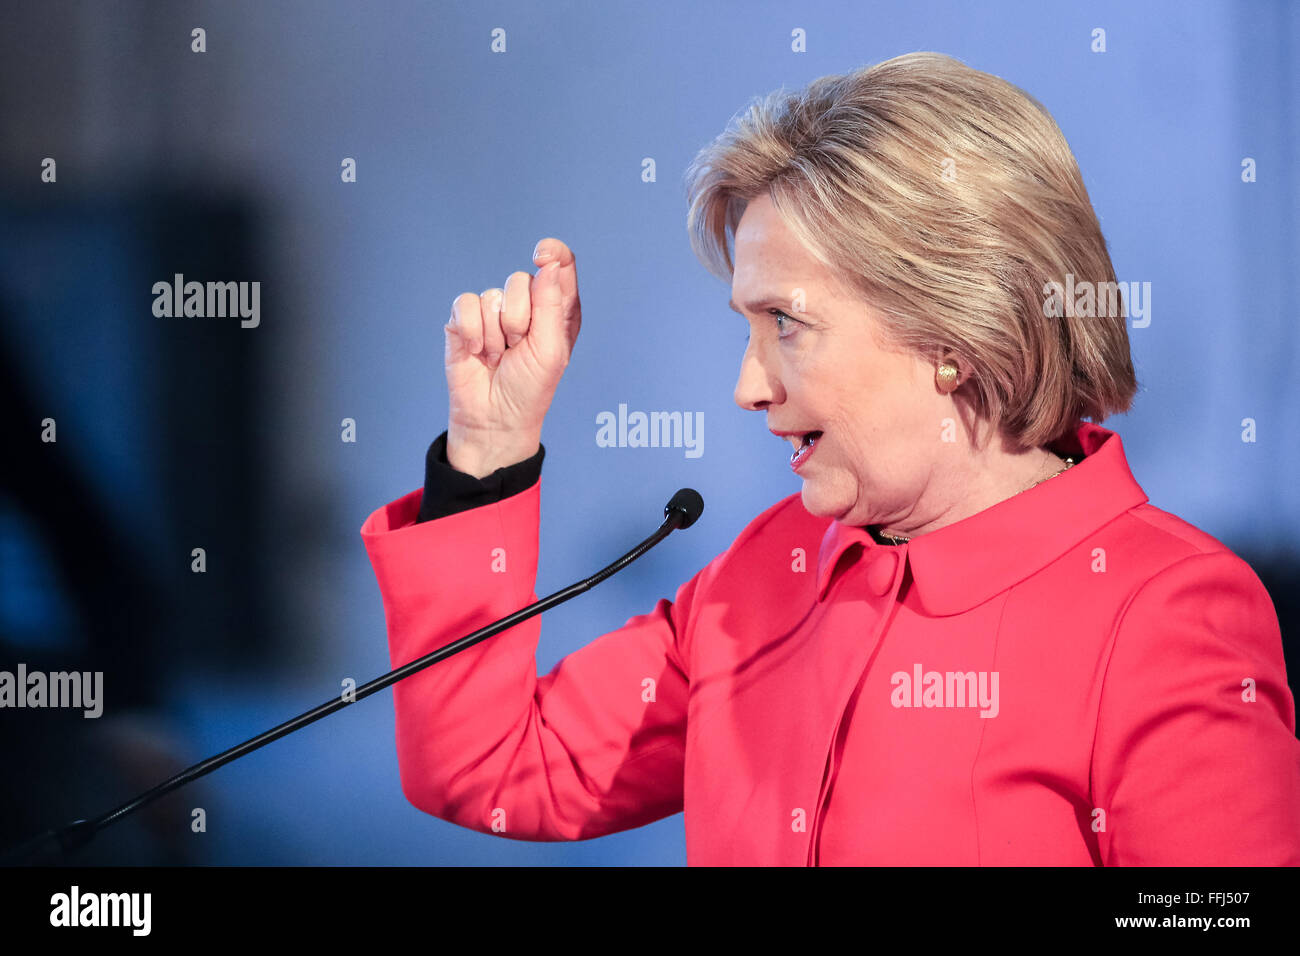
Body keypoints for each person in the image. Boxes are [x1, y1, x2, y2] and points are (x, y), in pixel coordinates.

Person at [360, 52, 1300, 865]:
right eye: (748, 326)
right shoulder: (768, 572)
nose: (749, 386)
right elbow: (488, 769)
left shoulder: (1166, 611)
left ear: (952, 330)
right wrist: (488, 453)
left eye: (787, 325)